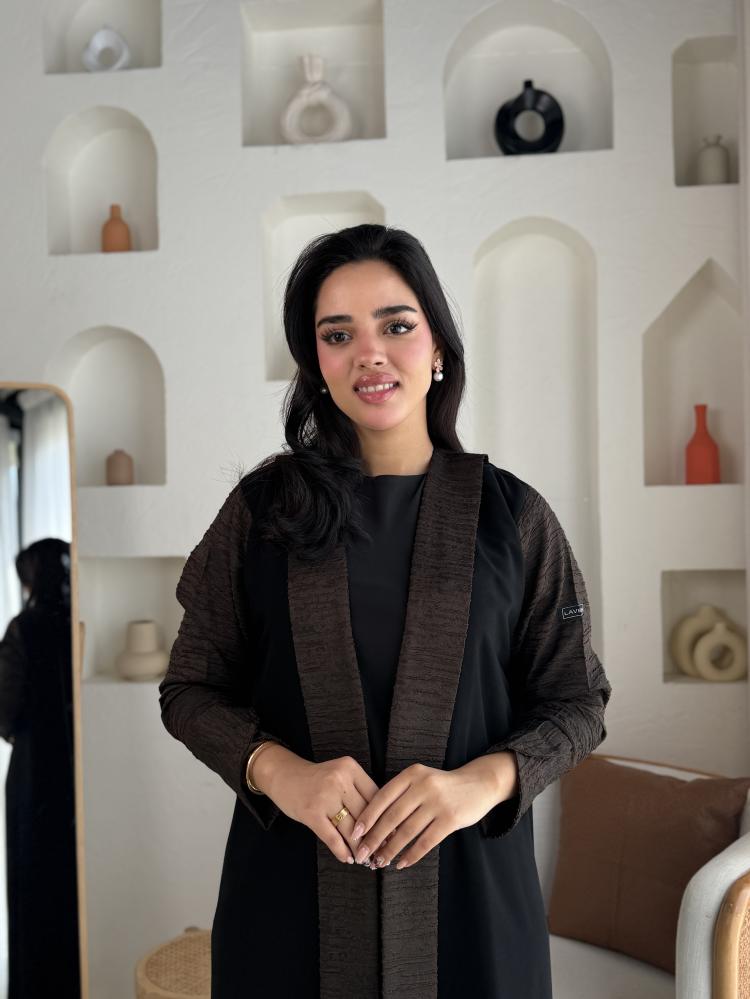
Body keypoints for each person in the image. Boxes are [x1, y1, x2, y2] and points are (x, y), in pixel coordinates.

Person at [158, 223, 613, 998]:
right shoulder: (263, 511)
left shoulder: (513, 517)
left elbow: (577, 700)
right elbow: (190, 687)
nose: (369, 353)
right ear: (317, 364)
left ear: (437, 348)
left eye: (396, 325)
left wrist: (482, 782)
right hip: (289, 908)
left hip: (473, 909)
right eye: (338, 335)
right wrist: (280, 772)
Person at [0, 538, 80, 999]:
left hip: (34, 776)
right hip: (78, 772)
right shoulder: (77, 623)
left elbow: (5, 712)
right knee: (72, 886)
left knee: (33, 885)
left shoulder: (24, 628)